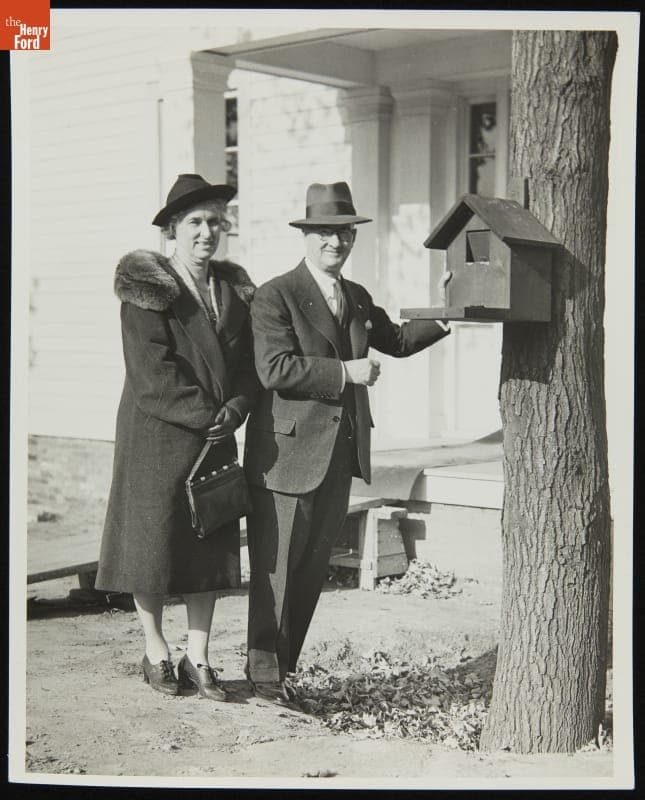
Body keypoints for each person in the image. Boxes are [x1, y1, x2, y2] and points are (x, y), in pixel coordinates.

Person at [243, 181, 450, 705]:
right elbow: (274, 369)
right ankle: (264, 678)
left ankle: (282, 672)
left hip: (339, 457)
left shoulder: (355, 296)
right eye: (324, 233)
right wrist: (345, 372)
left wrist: (448, 309)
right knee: (277, 570)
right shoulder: (275, 295)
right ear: (306, 235)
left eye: (344, 233)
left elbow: (398, 341)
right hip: (285, 458)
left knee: (311, 571)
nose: (335, 242)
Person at [95, 173, 258, 700]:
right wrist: (209, 414)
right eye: (195, 222)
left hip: (216, 433)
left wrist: (235, 409)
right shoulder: (147, 290)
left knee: (207, 550)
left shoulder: (233, 291)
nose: (207, 232)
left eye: (215, 222)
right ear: (172, 229)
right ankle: (156, 649)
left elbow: (249, 368)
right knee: (153, 545)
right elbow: (152, 374)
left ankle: (200, 657)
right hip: (158, 435)